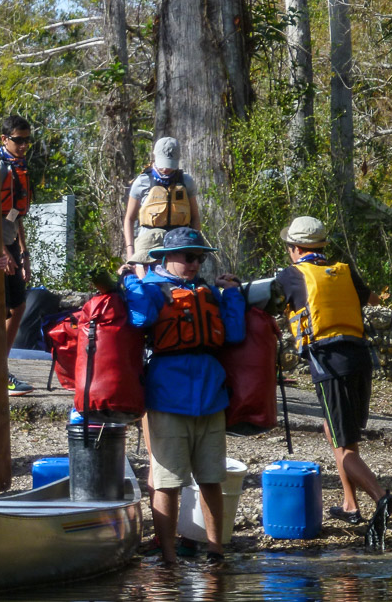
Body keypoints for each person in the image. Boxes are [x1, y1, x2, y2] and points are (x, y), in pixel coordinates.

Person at [119, 227, 245, 565]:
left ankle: (216, 551)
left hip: (210, 396)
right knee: (167, 481)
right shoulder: (150, 288)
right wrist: (131, 281)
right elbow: (140, 317)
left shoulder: (207, 290)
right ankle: (169, 556)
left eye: (199, 257)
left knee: (211, 478)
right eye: (188, 256)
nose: (195, 263)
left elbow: (233, 332)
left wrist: (232, 294)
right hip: (167, 397)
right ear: (165, 258)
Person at [275, 216, 392, 548]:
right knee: (338, 433)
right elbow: (372, 300)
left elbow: (261, 302)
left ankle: (381, 498)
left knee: (342, 446)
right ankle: (349, 504)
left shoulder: (291, 275)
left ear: (296, 249)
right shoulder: (342, 270)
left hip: (330, 366)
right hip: (360, 359)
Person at [0, 114, 34, 396]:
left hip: (10, 245)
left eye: (26, 140)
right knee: (0, 309)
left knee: (18, 305)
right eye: (17, 140)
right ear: (4, 139)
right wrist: (1, 251)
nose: (22, 145)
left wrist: (23, 253)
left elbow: (16, 215)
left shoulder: (18, 167)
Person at [122, 137, 201, 260]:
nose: (166, 169)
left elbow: (195, 217)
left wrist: (196, 246)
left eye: (169, 164)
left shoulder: (186, 182)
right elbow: (129, 218)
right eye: (163, 164)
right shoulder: (142, 182)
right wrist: (130, 250)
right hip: (149, 243)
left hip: (179, 242)